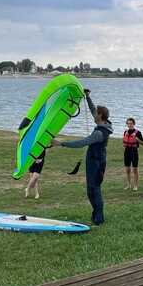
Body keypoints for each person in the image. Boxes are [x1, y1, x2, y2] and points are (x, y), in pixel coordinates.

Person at [52, 89, 113, 226]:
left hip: (97, 163)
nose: (93, 114)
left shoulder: (100, 133)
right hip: (93, 160)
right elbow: (92, 110)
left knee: (94, 189)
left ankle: (99, 218)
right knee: (90, 190)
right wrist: (88, 97)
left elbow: (82, 142)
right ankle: (96, 215)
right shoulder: (103, 123)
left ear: (100, 115)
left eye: (96, 113)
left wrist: (61, 143)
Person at [123, 118, 143, 191]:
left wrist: (137, 140)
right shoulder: (125, 132)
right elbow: (124, 142)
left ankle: (135, 186)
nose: (129, 125)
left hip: (134, 151)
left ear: (133, 124)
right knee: (127, 169)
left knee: (135, 169)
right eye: (128, 123)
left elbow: (142, 143)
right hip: (127, 151)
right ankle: (128, 185)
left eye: (131, 123)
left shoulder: (138, 132)